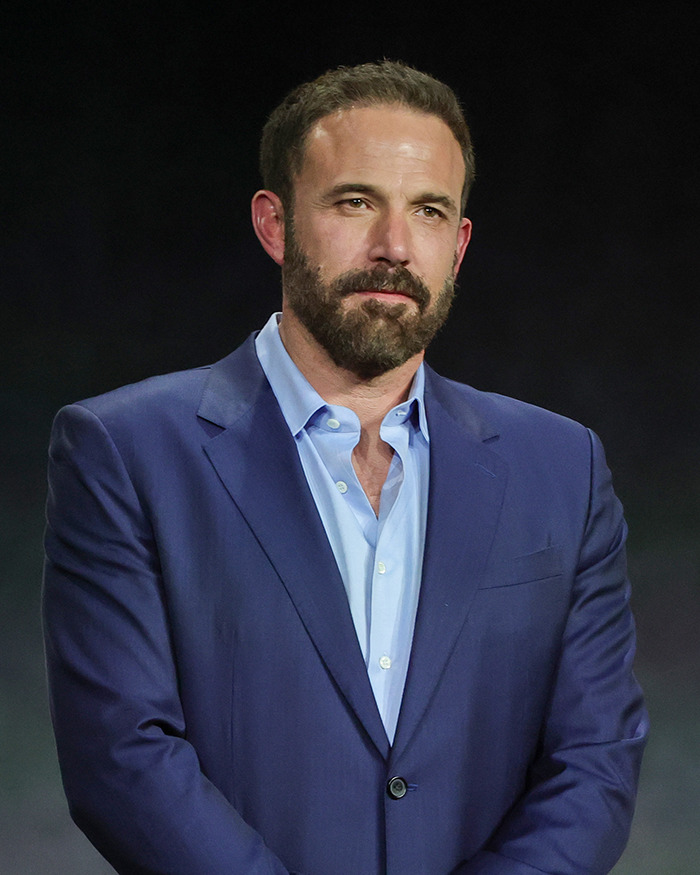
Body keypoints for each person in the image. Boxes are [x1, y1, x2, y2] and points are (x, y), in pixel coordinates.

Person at [43, 60, 648, 874]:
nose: (394, 246)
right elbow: (122, 761)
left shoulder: (563, 468)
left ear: (458, 243)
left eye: (429, 210)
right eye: (355, 201)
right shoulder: (123, 453)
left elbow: (596, 761)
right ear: (274, 223)